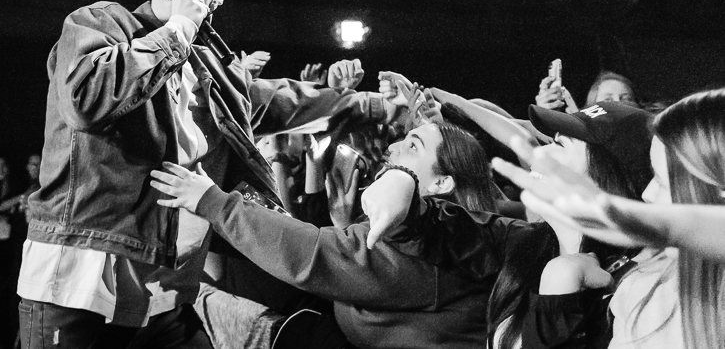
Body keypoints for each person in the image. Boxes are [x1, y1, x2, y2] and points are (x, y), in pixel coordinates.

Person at [17, 0, 395, 349]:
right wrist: (177, 30)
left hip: (164, 288)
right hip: (81, 275)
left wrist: (380, 106)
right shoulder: (101, 22)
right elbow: (86, 101)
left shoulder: (212, 71)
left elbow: (289, 101)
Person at [151, 115, 501, 349]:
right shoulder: (436, 228)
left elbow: (312, 255)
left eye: (412, 146)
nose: (393, 147)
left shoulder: (433, 250)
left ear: (441, 183)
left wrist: (211, 201)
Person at [363, 97, 654, 349]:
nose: (538, 154)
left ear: (606, 178)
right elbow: (435, 230)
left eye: (561, 146)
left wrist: (559, 290)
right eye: (550, 141)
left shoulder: (634, 288)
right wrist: (401, 179)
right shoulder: (525, 241)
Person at [495, 87, 725, 349]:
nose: (649, 195)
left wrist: (559, 289)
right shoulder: (640, 290)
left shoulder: (633, 283)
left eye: (661, 181)